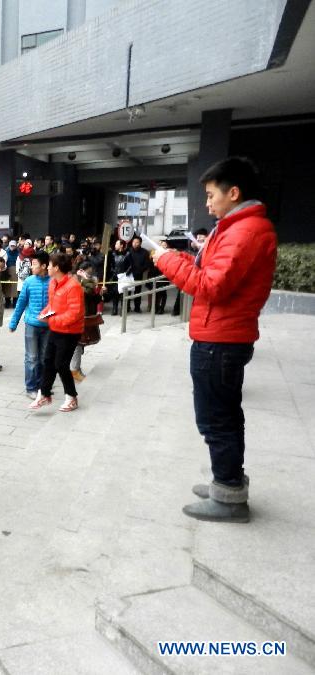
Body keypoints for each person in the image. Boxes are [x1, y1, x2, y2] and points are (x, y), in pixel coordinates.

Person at [152, 157, 277, 523]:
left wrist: (165, 260)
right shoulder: (237, 228)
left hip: (220, 340)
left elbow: (210, 286)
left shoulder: (245, 231)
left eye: (210, 195)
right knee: (223, 415)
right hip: (220, 334)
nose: (207, 203)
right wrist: (180, 258)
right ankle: (228, 482)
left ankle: (229, 496)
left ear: (233, 192)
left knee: (216, 420)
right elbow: (211, 273)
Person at [29, 252, 85, 413]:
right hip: (56, 329)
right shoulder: (53, 283)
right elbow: (53, 305)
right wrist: (45, 313)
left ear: (57, 268)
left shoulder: (73, 286)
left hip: (70, 332)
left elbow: (75, 314)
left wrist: (51, 320)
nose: (48, 267)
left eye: (51, 265)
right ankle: (44, 394)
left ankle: (71, 397)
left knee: (61, 364)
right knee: (48, 361)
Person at [70, 262, 103, 382]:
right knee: (77, 344)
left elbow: (93, 298)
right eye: (87, 272)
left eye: (90, 272)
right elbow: (86, 292)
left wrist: (100, 293)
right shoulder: (75, 281)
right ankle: (74, 369)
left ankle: (75, 368)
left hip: (87, 315)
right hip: (77, 316)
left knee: (80, 343)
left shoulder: (89, 281)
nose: (89, 274)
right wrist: (86, 280)